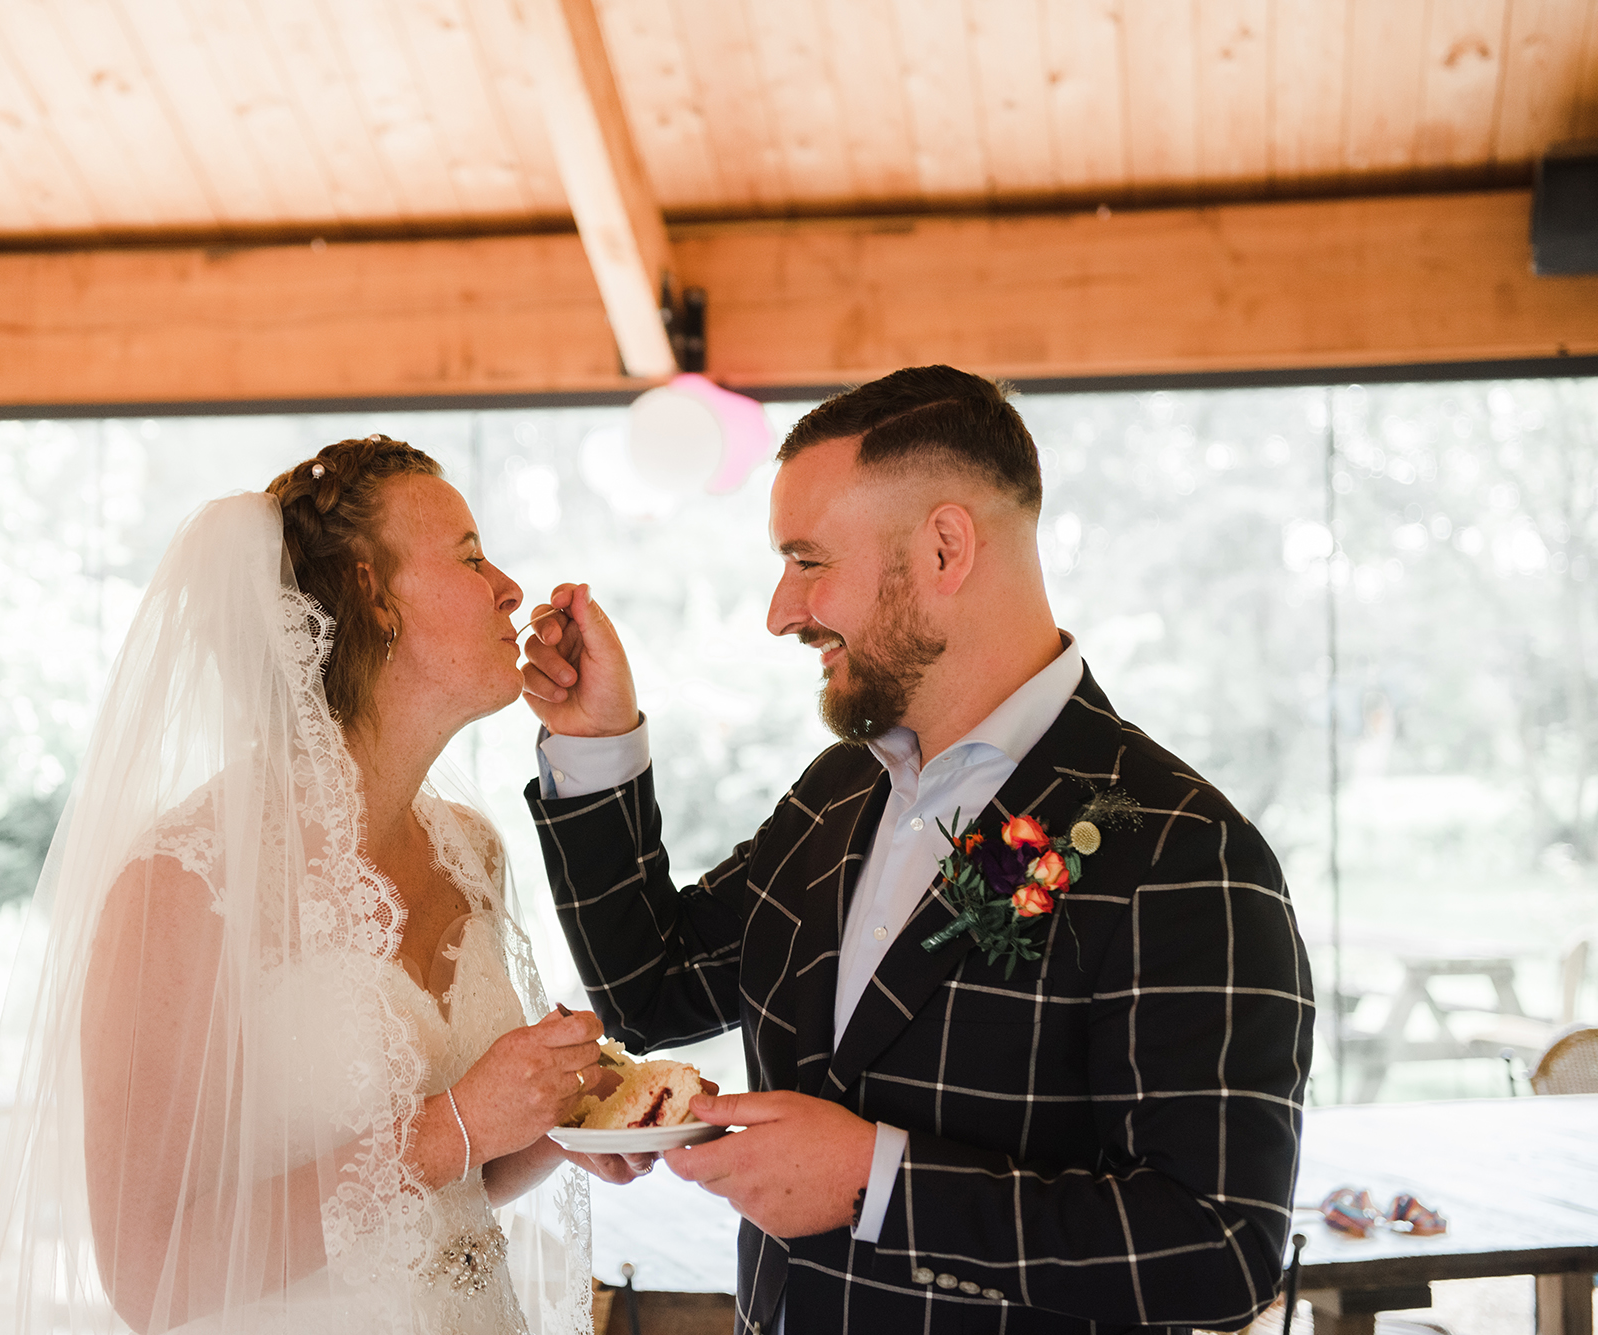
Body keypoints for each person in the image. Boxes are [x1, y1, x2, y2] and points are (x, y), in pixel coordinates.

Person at [520, 368, 1315, 1333]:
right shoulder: (836, 795)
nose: (781, 610)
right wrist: (596, 744)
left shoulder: (1185, 850)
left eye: (808, 561)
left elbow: (1218, 1248)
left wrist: (876, 1183)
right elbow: (653, 986)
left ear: (945, 547)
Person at [0, 437, 632, 1335]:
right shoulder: (184, 882)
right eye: (468, 555)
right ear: (373, 596)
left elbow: (452, 1187)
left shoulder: (472, 849)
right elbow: (150, 1276)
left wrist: (559, 1122)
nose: (507, 586)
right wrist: (455, 1119)